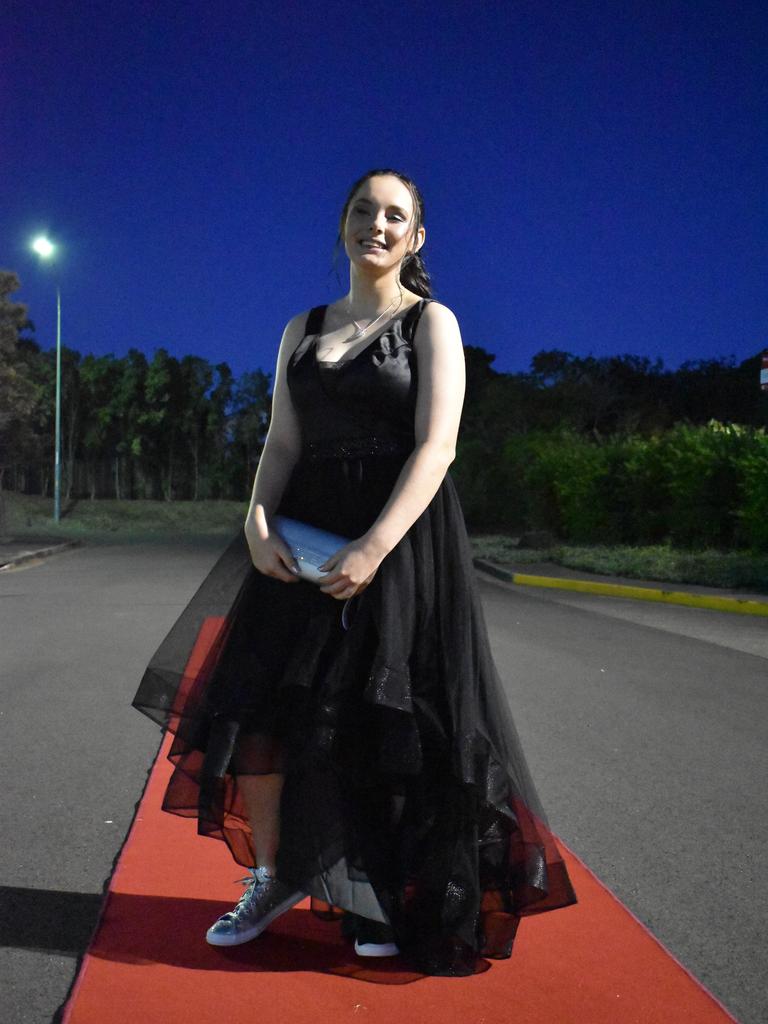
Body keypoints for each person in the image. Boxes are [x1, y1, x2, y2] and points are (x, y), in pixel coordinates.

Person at [132, 167, 577, 976]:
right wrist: (256, 520)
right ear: (342, 223)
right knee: (258, 711)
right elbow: (281, 443)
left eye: (394, 215)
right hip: (294, 541)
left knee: (373, 721)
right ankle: (273, 878)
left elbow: (436, 447)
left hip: (396, 546)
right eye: (363, 210)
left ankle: (373, 893)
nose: (377, 224)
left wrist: (373, 549)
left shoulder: (430, 324)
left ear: (416, 237)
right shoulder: (301, 328)